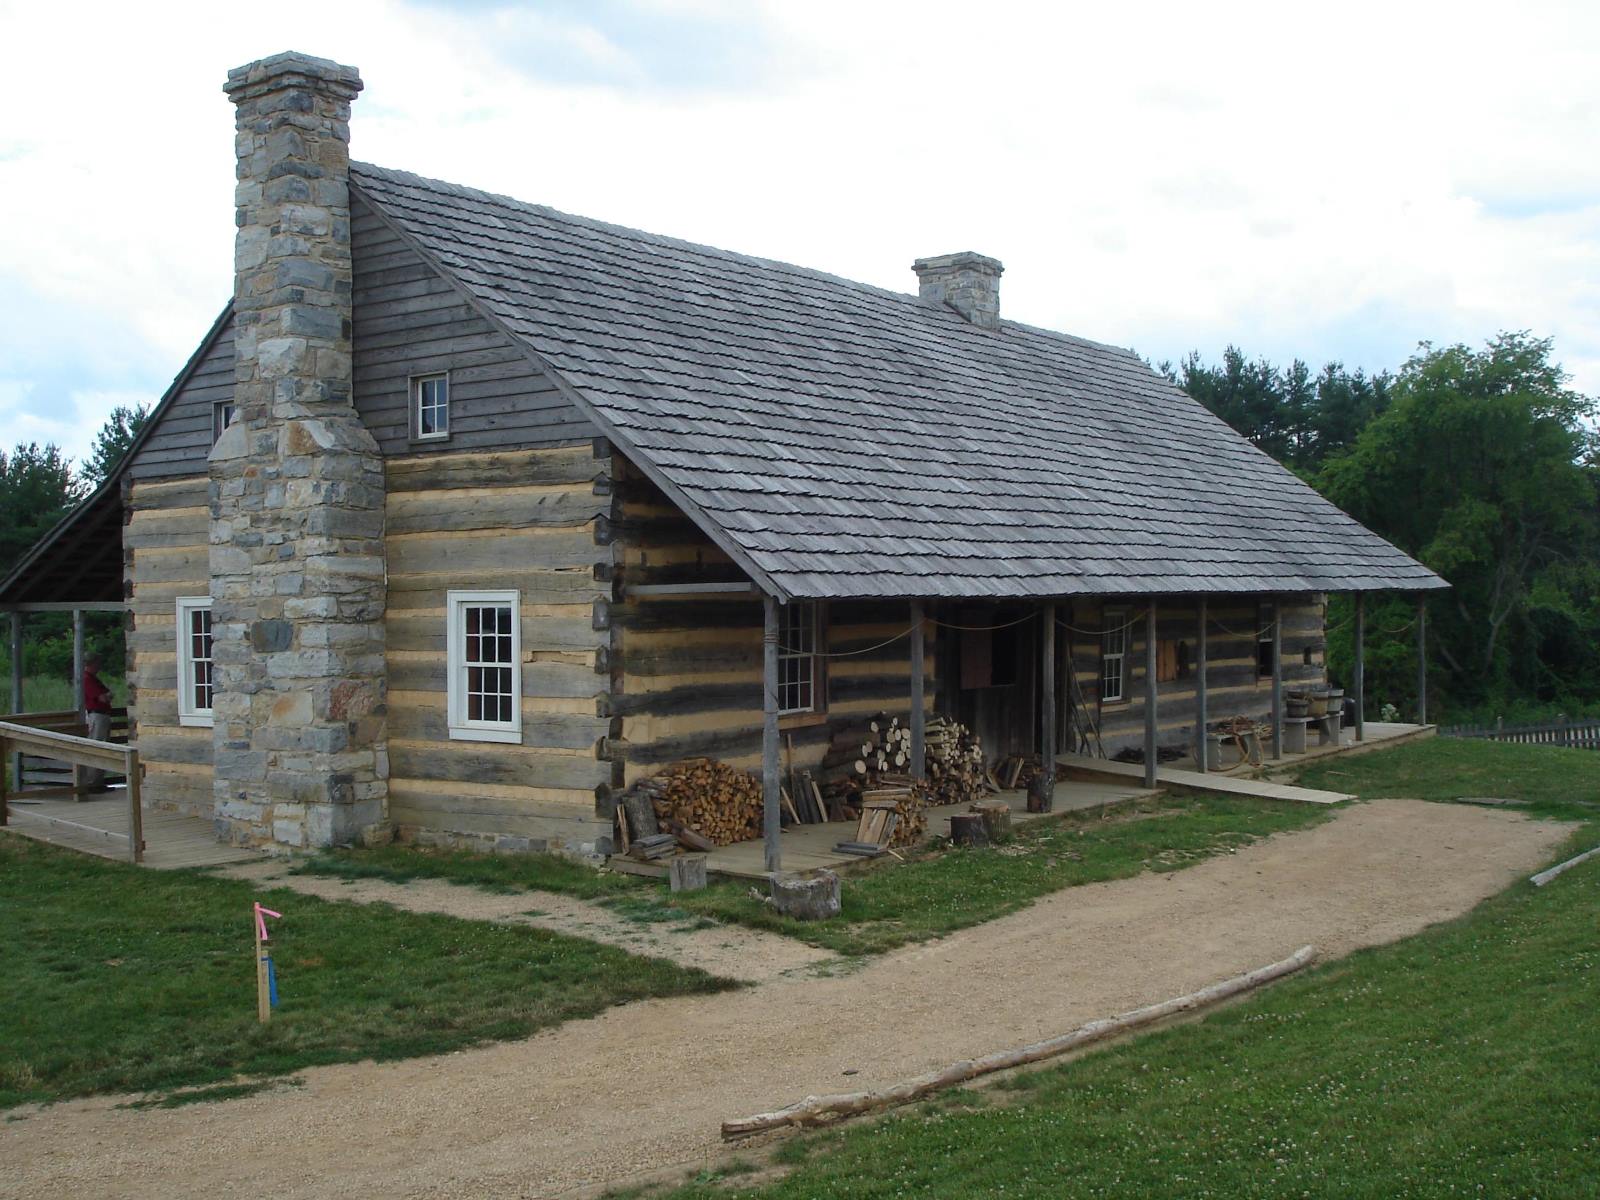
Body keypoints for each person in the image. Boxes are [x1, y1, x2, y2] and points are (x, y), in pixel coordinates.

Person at [82, 655, 114, 790]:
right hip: (97, 715)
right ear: (92, 664)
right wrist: (108, 696)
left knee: (103, 747)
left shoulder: (93, 679)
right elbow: (103, 698)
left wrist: (108, 696)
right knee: (97, 747)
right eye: (97, 663)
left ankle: (98, 781)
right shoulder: (87, 679)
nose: (99, 666)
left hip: (101, 715)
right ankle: (92, 783)